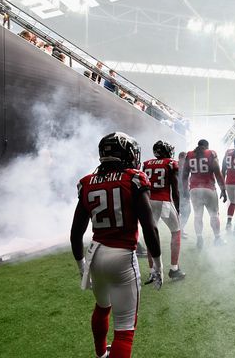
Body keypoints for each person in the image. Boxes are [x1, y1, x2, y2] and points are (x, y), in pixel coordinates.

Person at [70, 132, 163, 358]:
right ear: (126, 153)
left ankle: (101, 354)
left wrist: (82, 265)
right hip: (122, 256)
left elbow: (75, 233)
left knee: (102, 307)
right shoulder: (133, 178)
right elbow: (150, 227)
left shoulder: (87, 182)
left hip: (95, 254)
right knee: (124, 330)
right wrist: (158, 265)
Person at [142, 141, 186, 282]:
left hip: (149, 201)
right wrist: (177, 206)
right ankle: (174, 269)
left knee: (151, 235)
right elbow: (175, 188)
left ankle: (152, 271)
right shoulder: (170, 163)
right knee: (176, 231)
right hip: (163, 201)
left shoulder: (146, 164)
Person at [181, 139, 227, 249]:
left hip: (194, 189)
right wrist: (223, 189)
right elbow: (217, 173)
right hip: (208, 188)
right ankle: (217, 238)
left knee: (198, 215)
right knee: (214, 215)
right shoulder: (210, 153)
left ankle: (199, 238)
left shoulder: (189, 155)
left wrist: (185, 190)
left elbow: (184, 175)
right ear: (207, 146)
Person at [176, 151, 191, 238]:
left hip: (183, 192)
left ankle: (180, 229)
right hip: (180, 192)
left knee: (186, 212)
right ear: (180, 158)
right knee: (183, 212)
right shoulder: (177, 167)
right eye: (185, 159)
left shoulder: (185, 167)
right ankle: (179, 231)